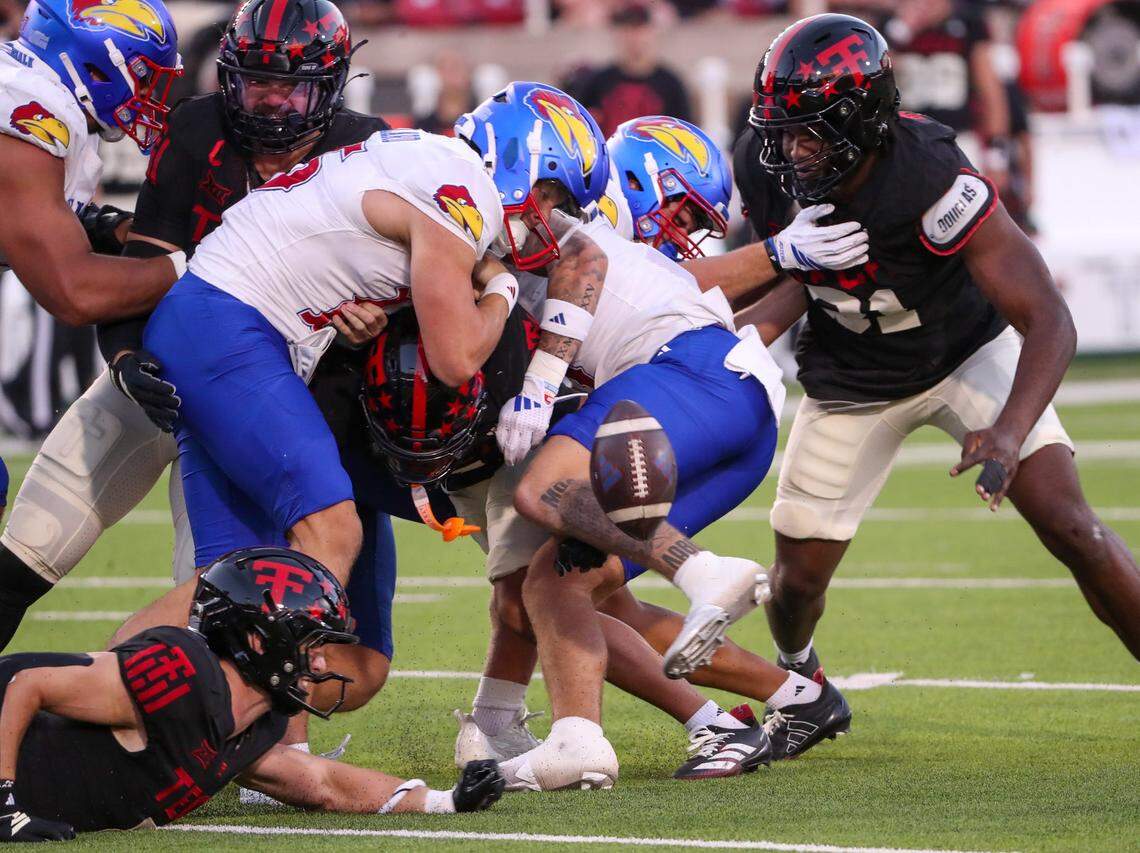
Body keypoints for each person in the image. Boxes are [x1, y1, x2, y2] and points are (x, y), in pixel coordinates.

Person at [737, 12, 1140, 735]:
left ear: (863, 120)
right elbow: (781, 269)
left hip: (963, 353)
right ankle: (802, 677)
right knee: (795, 581)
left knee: (1072, 524)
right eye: (781, 129)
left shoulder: (929, 173)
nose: (790, 149)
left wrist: (1009, 432)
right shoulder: (764, 159)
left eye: (811, 129)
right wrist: (744, 329)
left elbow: (1048, 314)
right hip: (848, 377)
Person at [0, 0, 400, 718]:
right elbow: (123, 269)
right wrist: (125, 355)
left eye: (292, 85)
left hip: (283, 400)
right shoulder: (195, 128)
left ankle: (215, 738)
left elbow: (411, 290)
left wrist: (374, 321)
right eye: (255, 82)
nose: (271, 101)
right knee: (30, 545)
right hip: (174, 372)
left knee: (234, 600)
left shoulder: (367, 151)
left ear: (330, 84)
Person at [445, 107, 868, 775]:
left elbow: (596, 267)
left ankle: (703, 586)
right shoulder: (574, 222)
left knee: (543, 491)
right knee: (556, 586)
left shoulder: (562, 231)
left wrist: (538, 382)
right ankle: (595, 738)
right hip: (727, 402)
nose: (690, 235)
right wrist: (790, 265)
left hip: (688, 374)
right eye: (686, 213)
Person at [0, 547, 504, 841]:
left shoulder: (253, 723)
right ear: (261, 640)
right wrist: (4, 800)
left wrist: (443, 802)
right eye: (310, 645)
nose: (323, 663)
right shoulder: (180, 674)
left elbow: (322, 782)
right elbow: (28, 684)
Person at [0, 0, 183, 326]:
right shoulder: (29, 112)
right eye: (143, 79)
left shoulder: (30, 84)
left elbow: (15, 211)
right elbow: (77, 292)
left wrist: (106, 228)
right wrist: (198, 267)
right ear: (95, 69)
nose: (148, 96)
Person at [570, 2, 692, 137]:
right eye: (627, 29)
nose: (634, 37)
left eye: (640, 28)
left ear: (652, 32)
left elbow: (684, 135)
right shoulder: (597, 83)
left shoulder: (670, 84)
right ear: (617, 33)